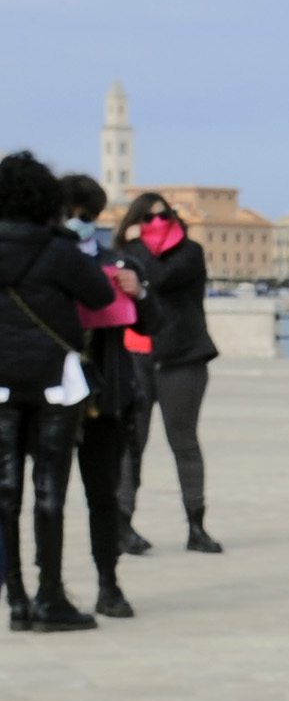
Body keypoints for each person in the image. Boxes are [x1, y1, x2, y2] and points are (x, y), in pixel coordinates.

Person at [0, 151, 117, 632]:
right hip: (55, 380)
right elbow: (101, 296)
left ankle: (16, 599)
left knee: (6, 492)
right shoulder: (59, 249)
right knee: (51, 489)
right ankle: (51, 596)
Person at [114, 190, 222, 552]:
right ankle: (122, 525)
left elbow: (158, 277)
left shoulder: (189, 253)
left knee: (184, 442)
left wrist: (136, 247)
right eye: (148, 218)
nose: (157, 224)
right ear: (135, 222)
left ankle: (196, 526)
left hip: (183, 358)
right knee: (132, 444)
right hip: (137, 358)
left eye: (164, 216)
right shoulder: (125, 256)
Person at [58, 174, 143, 619]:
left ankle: (108, 582)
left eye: (85, 216)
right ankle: (43, 588)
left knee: (103, 494)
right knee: (44, 492)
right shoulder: (44, 263)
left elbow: (149, 322)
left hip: (105, 392)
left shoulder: (119, 263)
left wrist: (138, 294)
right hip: (53, 393)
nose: (78, 223)